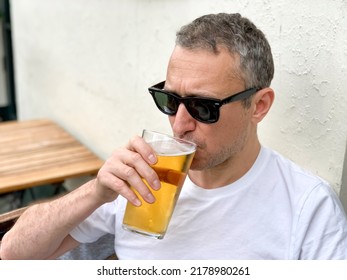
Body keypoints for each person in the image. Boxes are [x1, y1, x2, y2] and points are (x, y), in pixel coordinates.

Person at [1, 13, 346, 260]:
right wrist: (95, 192)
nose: (179, 124)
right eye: (170, 100)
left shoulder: (305, 207)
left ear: (258, 106)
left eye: (203, 107)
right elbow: (12, 256)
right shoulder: (142, 178)